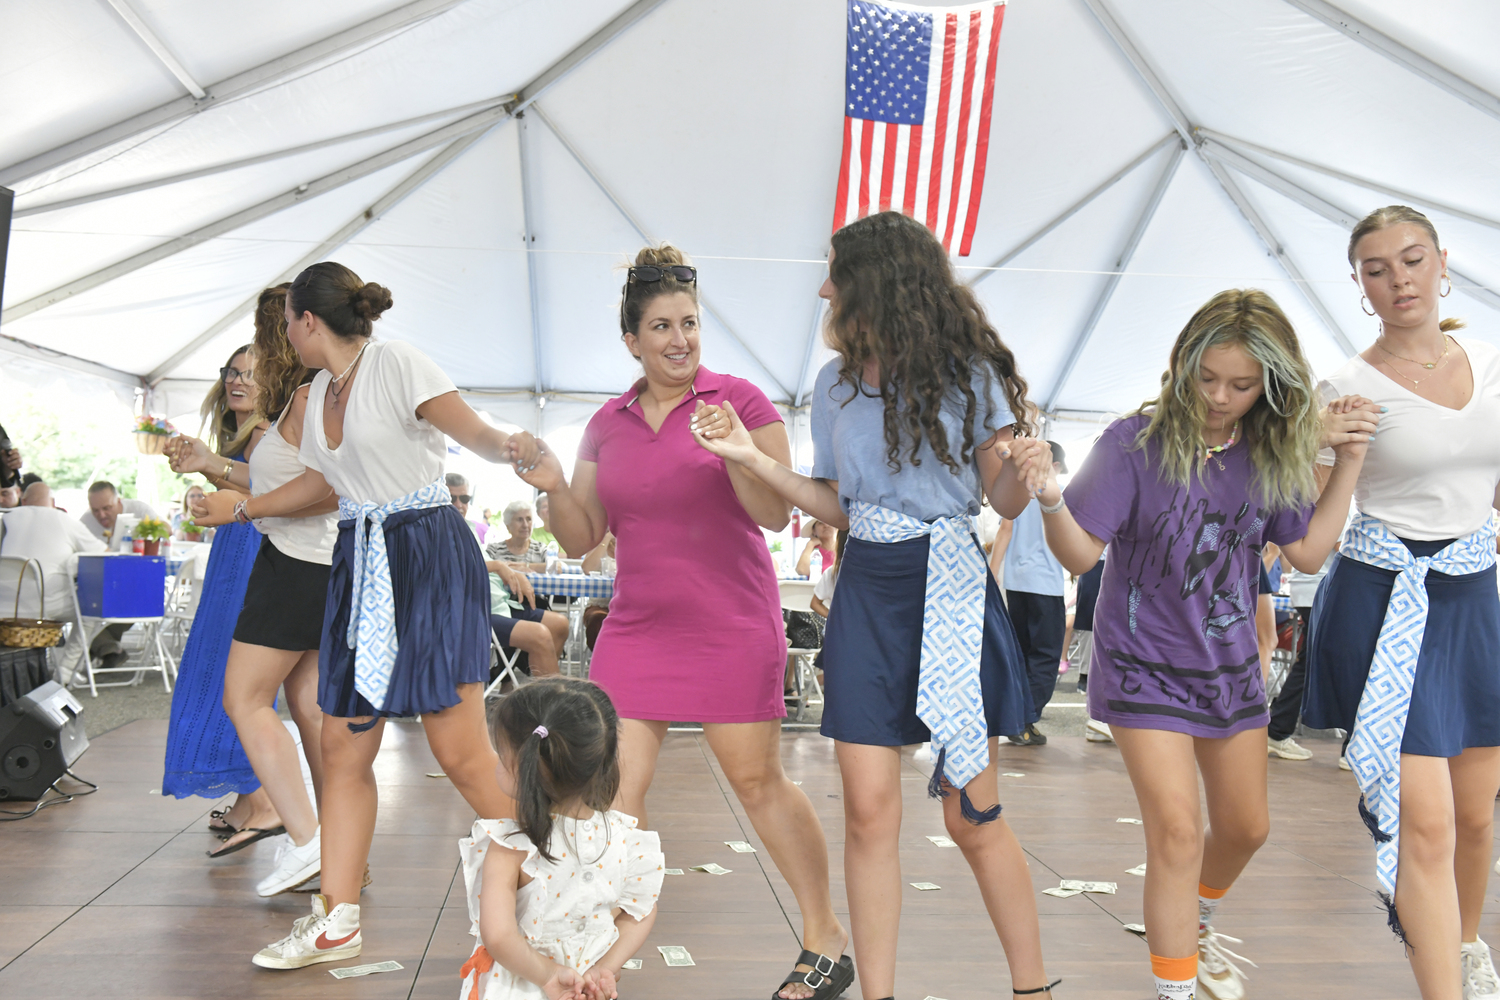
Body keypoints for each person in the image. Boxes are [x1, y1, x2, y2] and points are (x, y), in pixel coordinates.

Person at [691, 213, 1055, 1000]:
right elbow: (840, 505)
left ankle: (1034, 990)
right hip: (870, 589)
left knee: (973, 814)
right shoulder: (833, 384)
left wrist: (1027, 469)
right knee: (867, 810)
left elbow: (1003, 498)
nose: (824, 288)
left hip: (952, 584)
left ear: (881, 286)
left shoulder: (968, 373)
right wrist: (750, 459)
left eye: (837, 274)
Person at [1012, 288, 1376, 1000]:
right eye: (1206, 377)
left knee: (1245, 828)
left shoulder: (1270, 450)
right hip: (1140, 668)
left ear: (1269, 385)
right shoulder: (1131, 443)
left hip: (1231, 669)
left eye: (1240, 385)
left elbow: (1305, 552)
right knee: (1177, 835)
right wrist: (1051, 500)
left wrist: (1349, 462)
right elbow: (1082, 555)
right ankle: (1175, 989)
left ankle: (1195, 916)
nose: (1219, 395)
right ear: (1181, 364)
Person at [514, 244, 850, 1000]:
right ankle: (597, 961)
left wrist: (734, 450)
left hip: (730, 623)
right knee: (610, 799)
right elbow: (579, 534)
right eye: (661, 326)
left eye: (690, 324)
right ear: (631, 340)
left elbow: (771, 513)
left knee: (758, 783)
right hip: (636, 631)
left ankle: (826, 936)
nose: (679, 340)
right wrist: (553, 486)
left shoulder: (743, 402)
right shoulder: (608, 421)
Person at [191, 261, 536, 970]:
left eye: (287, 320)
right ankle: (336, 918)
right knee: (344, 748)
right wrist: (247, 504)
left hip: (429, 554)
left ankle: (551, 880)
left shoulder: (395, 364)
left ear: (308, 322)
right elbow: (322, 482)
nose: (283, 332)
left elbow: (474, 434)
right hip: (360, 558)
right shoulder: (317, 392)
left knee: (457, 748)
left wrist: (516, 449)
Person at [1301, 205, 1500, 1000]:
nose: (1398, 279)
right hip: (1385, 605)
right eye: (1376, 269)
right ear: (1359, 286)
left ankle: (1463, 942)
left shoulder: (1490, 360)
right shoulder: (1343, 388)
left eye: (1412, 260)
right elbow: (1306, 536)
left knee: (1478, 817)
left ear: (1443, 262)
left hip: (1473, 597)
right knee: (1427, 823)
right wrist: (1338, 447)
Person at [170, 287, 343, 893]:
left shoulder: (308, 398)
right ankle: (339, 852)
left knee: (244, 699)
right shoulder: (317, 395)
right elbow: (280, 478)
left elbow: (325, 491)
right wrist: (215, 467)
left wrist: (239, 509)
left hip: (298, 562)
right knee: (310, 706)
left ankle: (306, 838)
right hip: (315, 562)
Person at [459, 677, 664, 1000]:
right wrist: (605, 967)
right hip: (589, 986)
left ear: (521, 767)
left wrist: (549, 975)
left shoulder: (512, 845)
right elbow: (640, 911)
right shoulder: (626, 840)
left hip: (524, 984)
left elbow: (498, 935)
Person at [159, 344, 282, 849]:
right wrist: (207, 481)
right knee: (228, 673)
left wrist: (212, 467)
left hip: (251, 556)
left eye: (250, 375)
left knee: (231, 675)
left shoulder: (263, 432)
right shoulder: (240, 434)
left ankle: (267, 800)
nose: (237, 381)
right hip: (237, 551)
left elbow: (272, 485)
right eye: (232, 372)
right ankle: (250, 800)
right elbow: (237, 493)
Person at [1003, 440, 1068, 747]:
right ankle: (1024, 720)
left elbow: (1004, 530)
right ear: (1052, 464)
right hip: (1045, 583)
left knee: (1021, 654)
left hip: (1016, 583)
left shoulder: (1016, 492)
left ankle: (1020, 719)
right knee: (1044, 657)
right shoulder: (1058, 494)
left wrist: (994, 571)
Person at [0, 499, 106, 685]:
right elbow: (104, 553)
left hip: (4, 607)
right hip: (45, 607)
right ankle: (66, 670)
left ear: (23, 500)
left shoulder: (6, 519)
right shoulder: (64, 520)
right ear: (52, 502)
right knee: (92, 613)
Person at [1265, 551, 1335, 761]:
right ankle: (1276, 728)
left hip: (1308, 589)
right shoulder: (1343, 518)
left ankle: (1277, 728)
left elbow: (1288, 562)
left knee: (1310, 662)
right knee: (1312, 663)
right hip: (1321, 588)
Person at [80, 481, 160, 545]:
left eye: (106, 508)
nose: (102, 515)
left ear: (119, 501)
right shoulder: (85, 522)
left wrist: (137, 526)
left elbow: (167, 530)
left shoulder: (139, 510)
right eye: (95, 510)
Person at [487, 501, 549, 570]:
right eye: (519, 520)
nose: (525, 525)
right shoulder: (494, 550)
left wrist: (525, 566)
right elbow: (480, 569)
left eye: (529, 519)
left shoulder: (540, 549)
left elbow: (557, 567)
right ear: (508, 525)